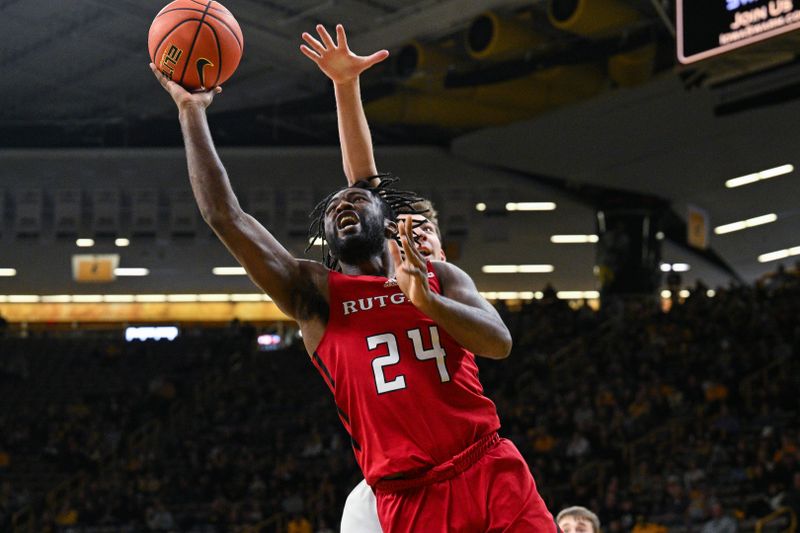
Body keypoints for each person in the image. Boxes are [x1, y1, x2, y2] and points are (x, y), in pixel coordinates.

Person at [151, 36, 555, 531]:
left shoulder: (438, 275)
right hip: (410, 497)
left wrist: (427, 301)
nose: (343, 205)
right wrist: (191, 111)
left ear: (387, 223)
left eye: (355, 200)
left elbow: (499, 343)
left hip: (488, 468)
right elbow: (225, 216)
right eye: (333, 209)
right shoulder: (315, 296)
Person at [301, 24, 445, 532]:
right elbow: (362, 179)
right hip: (387, 487)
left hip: (457, 474)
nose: (418, 240)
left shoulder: (452, 291)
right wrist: (345, 85)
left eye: (428, 234)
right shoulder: (377, 271)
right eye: (410, 231)